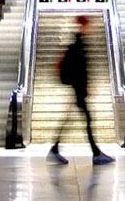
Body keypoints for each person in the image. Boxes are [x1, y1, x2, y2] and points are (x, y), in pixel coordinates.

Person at [47, 15, 114, 165]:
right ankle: (95, 153)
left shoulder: (80, 43)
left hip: (78, 89)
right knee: (86, 120)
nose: (92, 28)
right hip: (78, 89)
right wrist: (84, 87)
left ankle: (56, 148)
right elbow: (80, 70)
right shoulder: (79, 44)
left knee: (74, 119)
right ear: (84, 26)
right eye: (89, 25)